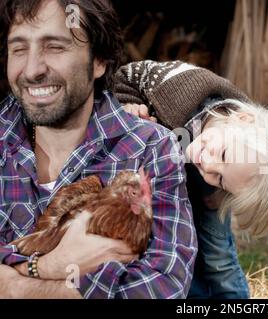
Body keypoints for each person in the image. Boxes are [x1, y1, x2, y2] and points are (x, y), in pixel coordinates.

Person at [0, 0, 197, 298]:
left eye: (55, 47)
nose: (32, 69)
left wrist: (13, 283)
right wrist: (51, 267)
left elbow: (164, 288)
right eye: (19, 49)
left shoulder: (151, 148)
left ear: (99, 61)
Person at [114, 59, 268, 298]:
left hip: (206, 193)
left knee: (219, 258)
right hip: (167, 186)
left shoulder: (236, 154)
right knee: (178, 249)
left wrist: (220, 190)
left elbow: (231, 172)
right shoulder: (179, 88)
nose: (208, 165)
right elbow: (128, 74)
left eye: (220, 177)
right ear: (240, 118)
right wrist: (131, 101)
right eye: (223, 154)